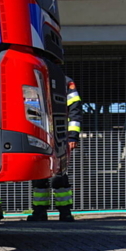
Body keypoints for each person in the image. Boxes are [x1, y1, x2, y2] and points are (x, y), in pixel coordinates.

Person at [27, 76, 83, 222]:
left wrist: (72, 136)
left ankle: (64, 212)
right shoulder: (34, 76)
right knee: (40, 173)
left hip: (58, 135)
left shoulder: (65, 82)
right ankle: (40, 212)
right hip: (40, 132)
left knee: (59, 173)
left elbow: (74, 110)